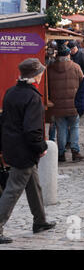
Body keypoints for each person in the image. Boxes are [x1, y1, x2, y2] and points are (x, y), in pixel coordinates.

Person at [0, 58, 56, 245]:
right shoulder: (32, 97)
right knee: (13, 190)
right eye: (40, 72)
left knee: (34, 185)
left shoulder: (11, 92)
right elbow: (32, 130)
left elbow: (5, 122)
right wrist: (41, 148)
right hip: (24, 150)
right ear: (36, 76)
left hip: (12, 146)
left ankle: (40, 221)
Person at [47, 44, 84, 163]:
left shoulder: (50, 68)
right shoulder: (76, 67)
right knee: (74, 127)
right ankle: (75, 150)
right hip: (74, 104)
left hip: (57, 106)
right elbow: (82, 83)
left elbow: (46, 86)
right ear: (68, 55)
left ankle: (61, 153)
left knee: (61, 129)